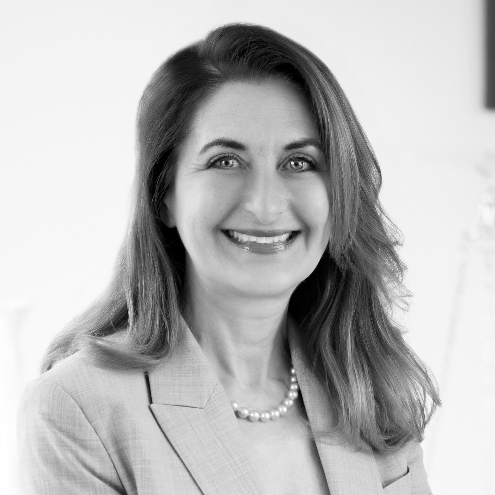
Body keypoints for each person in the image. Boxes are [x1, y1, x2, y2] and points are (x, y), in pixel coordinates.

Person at [17, 23, 440, 494]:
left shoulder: (375, 397)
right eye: (225, 161)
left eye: (299, 163)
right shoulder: (78, 408)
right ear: (164, 196)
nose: (265, 204)